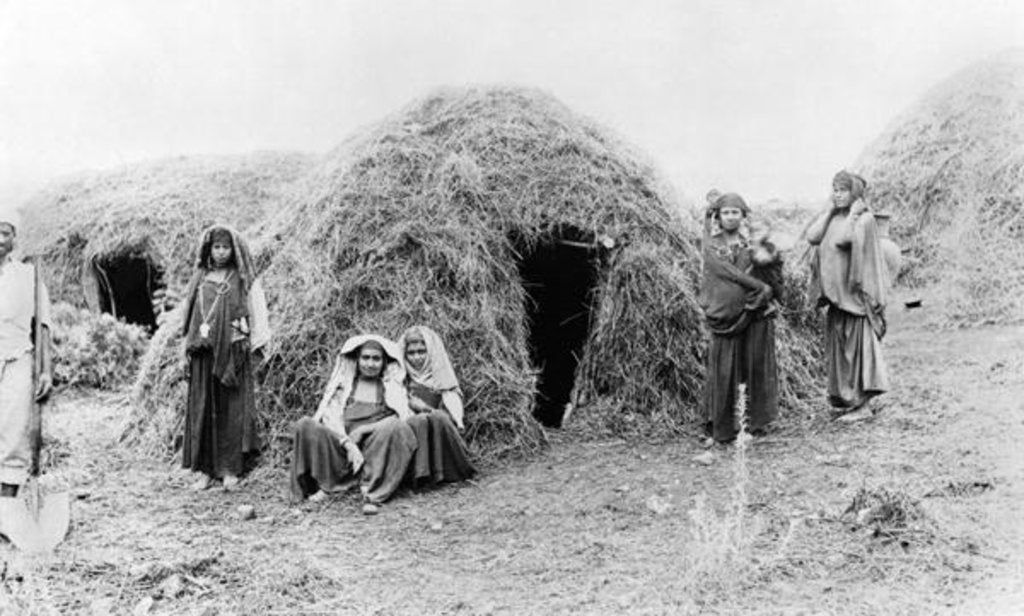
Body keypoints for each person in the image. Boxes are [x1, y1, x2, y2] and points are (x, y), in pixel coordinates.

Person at [180, 225, 270, 491]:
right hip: (203, 353)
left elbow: (256, 311)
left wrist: (256, 345)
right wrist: (186, 346)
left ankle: (230, 469)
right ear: (209, 249)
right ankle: (205, 471)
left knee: (231, 409)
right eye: (216, 247)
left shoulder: (242, 279)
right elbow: (190, 315)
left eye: (225, 247)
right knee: (203, 408)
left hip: (232, 352)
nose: (220, 253)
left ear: (234, 250)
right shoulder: (200, 277)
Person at [290, 335, 417, 514]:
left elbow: (401, 419)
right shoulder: (345, 386)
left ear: (384, 362)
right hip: (342, 450)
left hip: (375, 453)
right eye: (365, 358)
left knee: (396, 428)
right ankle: (329, 483)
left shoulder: (391, 387)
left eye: (376, 359)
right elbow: (330, 417)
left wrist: (366, 429)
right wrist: (348, 444)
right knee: (305, 424)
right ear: (357, 360)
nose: (370, 364)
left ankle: (372, 488)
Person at [804, 171, 889, 418]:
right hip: (835, 297)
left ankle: (863, 406)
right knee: (841, 352)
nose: (837, 194)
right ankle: (849, 400)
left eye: (842, 190)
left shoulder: (864, 220)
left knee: (857, 349)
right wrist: (830, 211)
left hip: (854, 298)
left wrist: (852, 214)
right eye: (834, 189)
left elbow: (844, 241)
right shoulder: (833, 217)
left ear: (855, 193)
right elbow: (813, 237)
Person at [700, 193, 782, 443]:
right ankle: (724, 426)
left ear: (743, 215)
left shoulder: (752, 244)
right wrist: (758, 286)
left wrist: (767, 281)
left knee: (754, 365)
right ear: (718, 216)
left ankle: (756, 424)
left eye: (736, 212)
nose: (731, 217)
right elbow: (721, 272)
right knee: (725, 368)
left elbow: (772, 272)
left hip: (754, 314)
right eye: (726, 212)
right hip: (725, 316)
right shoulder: (711, 246)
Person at [0, 211, 53, 498]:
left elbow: (43, 324)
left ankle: (6, 505)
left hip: (18, 358)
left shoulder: (27, 276)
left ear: (14, 239)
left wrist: (45, 370)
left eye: (4, 233)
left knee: (14, 427)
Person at [398, 325, 476, 486]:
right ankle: (420, 474)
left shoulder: (440, 376)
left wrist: (427, 409)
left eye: (421, 352)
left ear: (431, 352)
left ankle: (443, 471)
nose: (417, 358)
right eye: (411, 353)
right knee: (420, 422)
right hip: (413, 425)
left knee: (437, 417)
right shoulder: (401, 378)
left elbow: (451, 408)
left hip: (438, 426)